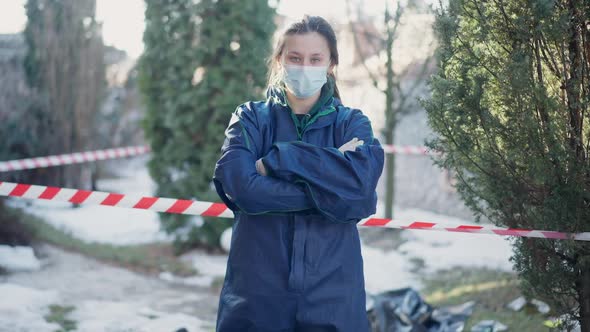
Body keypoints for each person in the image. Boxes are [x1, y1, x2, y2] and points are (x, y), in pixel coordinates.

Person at [212, 15, 384, 332]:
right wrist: (329, 191)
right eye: (295, 57)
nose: (305, 66)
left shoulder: (351, 124)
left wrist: (282, 158)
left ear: (331, 63)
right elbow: (242, 189)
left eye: (315, 58)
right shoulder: (250, 118)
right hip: (257, 296)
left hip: (333, 297)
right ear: (280, 60)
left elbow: (360, 195)